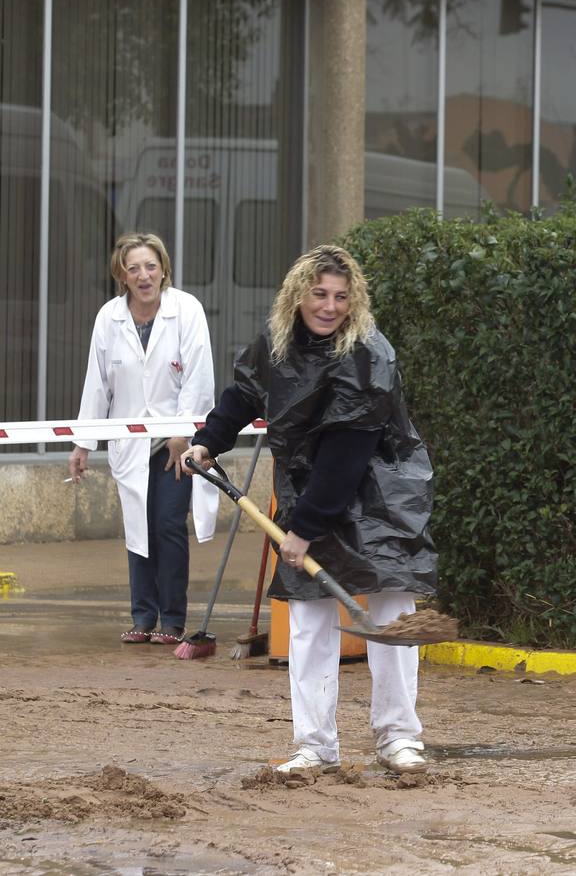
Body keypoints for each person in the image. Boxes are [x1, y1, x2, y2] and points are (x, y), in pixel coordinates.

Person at [183, 245, 437, 776]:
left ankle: (398, 737)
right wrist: (209, 440)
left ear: (355, 300)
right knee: (308, 621)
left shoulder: (369, 354)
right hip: (309, 492)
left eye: (342, 296)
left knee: (389, 613)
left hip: (379, 500)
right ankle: (316, 745)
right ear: (298, 294)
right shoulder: (276, 344)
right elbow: (242, 394)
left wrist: (302, 530)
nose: (329, 306)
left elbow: (347, 454)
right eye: (319, 294)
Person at [68, 233, 217, 645]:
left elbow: (199, 377)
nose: (143, 275)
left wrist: (180, 434)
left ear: (163, 268)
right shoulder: (109, 318)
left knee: (168, 523)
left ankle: (172, 621)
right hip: (130, 442)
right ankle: (142, 617)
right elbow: (97, 384)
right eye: (133, 268)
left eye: (150, 266)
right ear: (122, 274)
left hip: (175, 444)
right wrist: (83, 443)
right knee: (138, 525)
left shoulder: (186, 310)